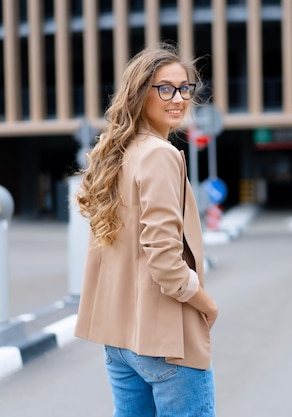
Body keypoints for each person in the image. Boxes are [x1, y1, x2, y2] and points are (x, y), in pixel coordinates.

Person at [74, 43, 218, 417]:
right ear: (141, 93)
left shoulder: (118, 153)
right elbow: (164, 256)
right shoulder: (159, 154)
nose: (179, 98)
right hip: (167, 338)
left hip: (120, 341)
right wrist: (205, 302)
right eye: (165, 88)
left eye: (185, 88)